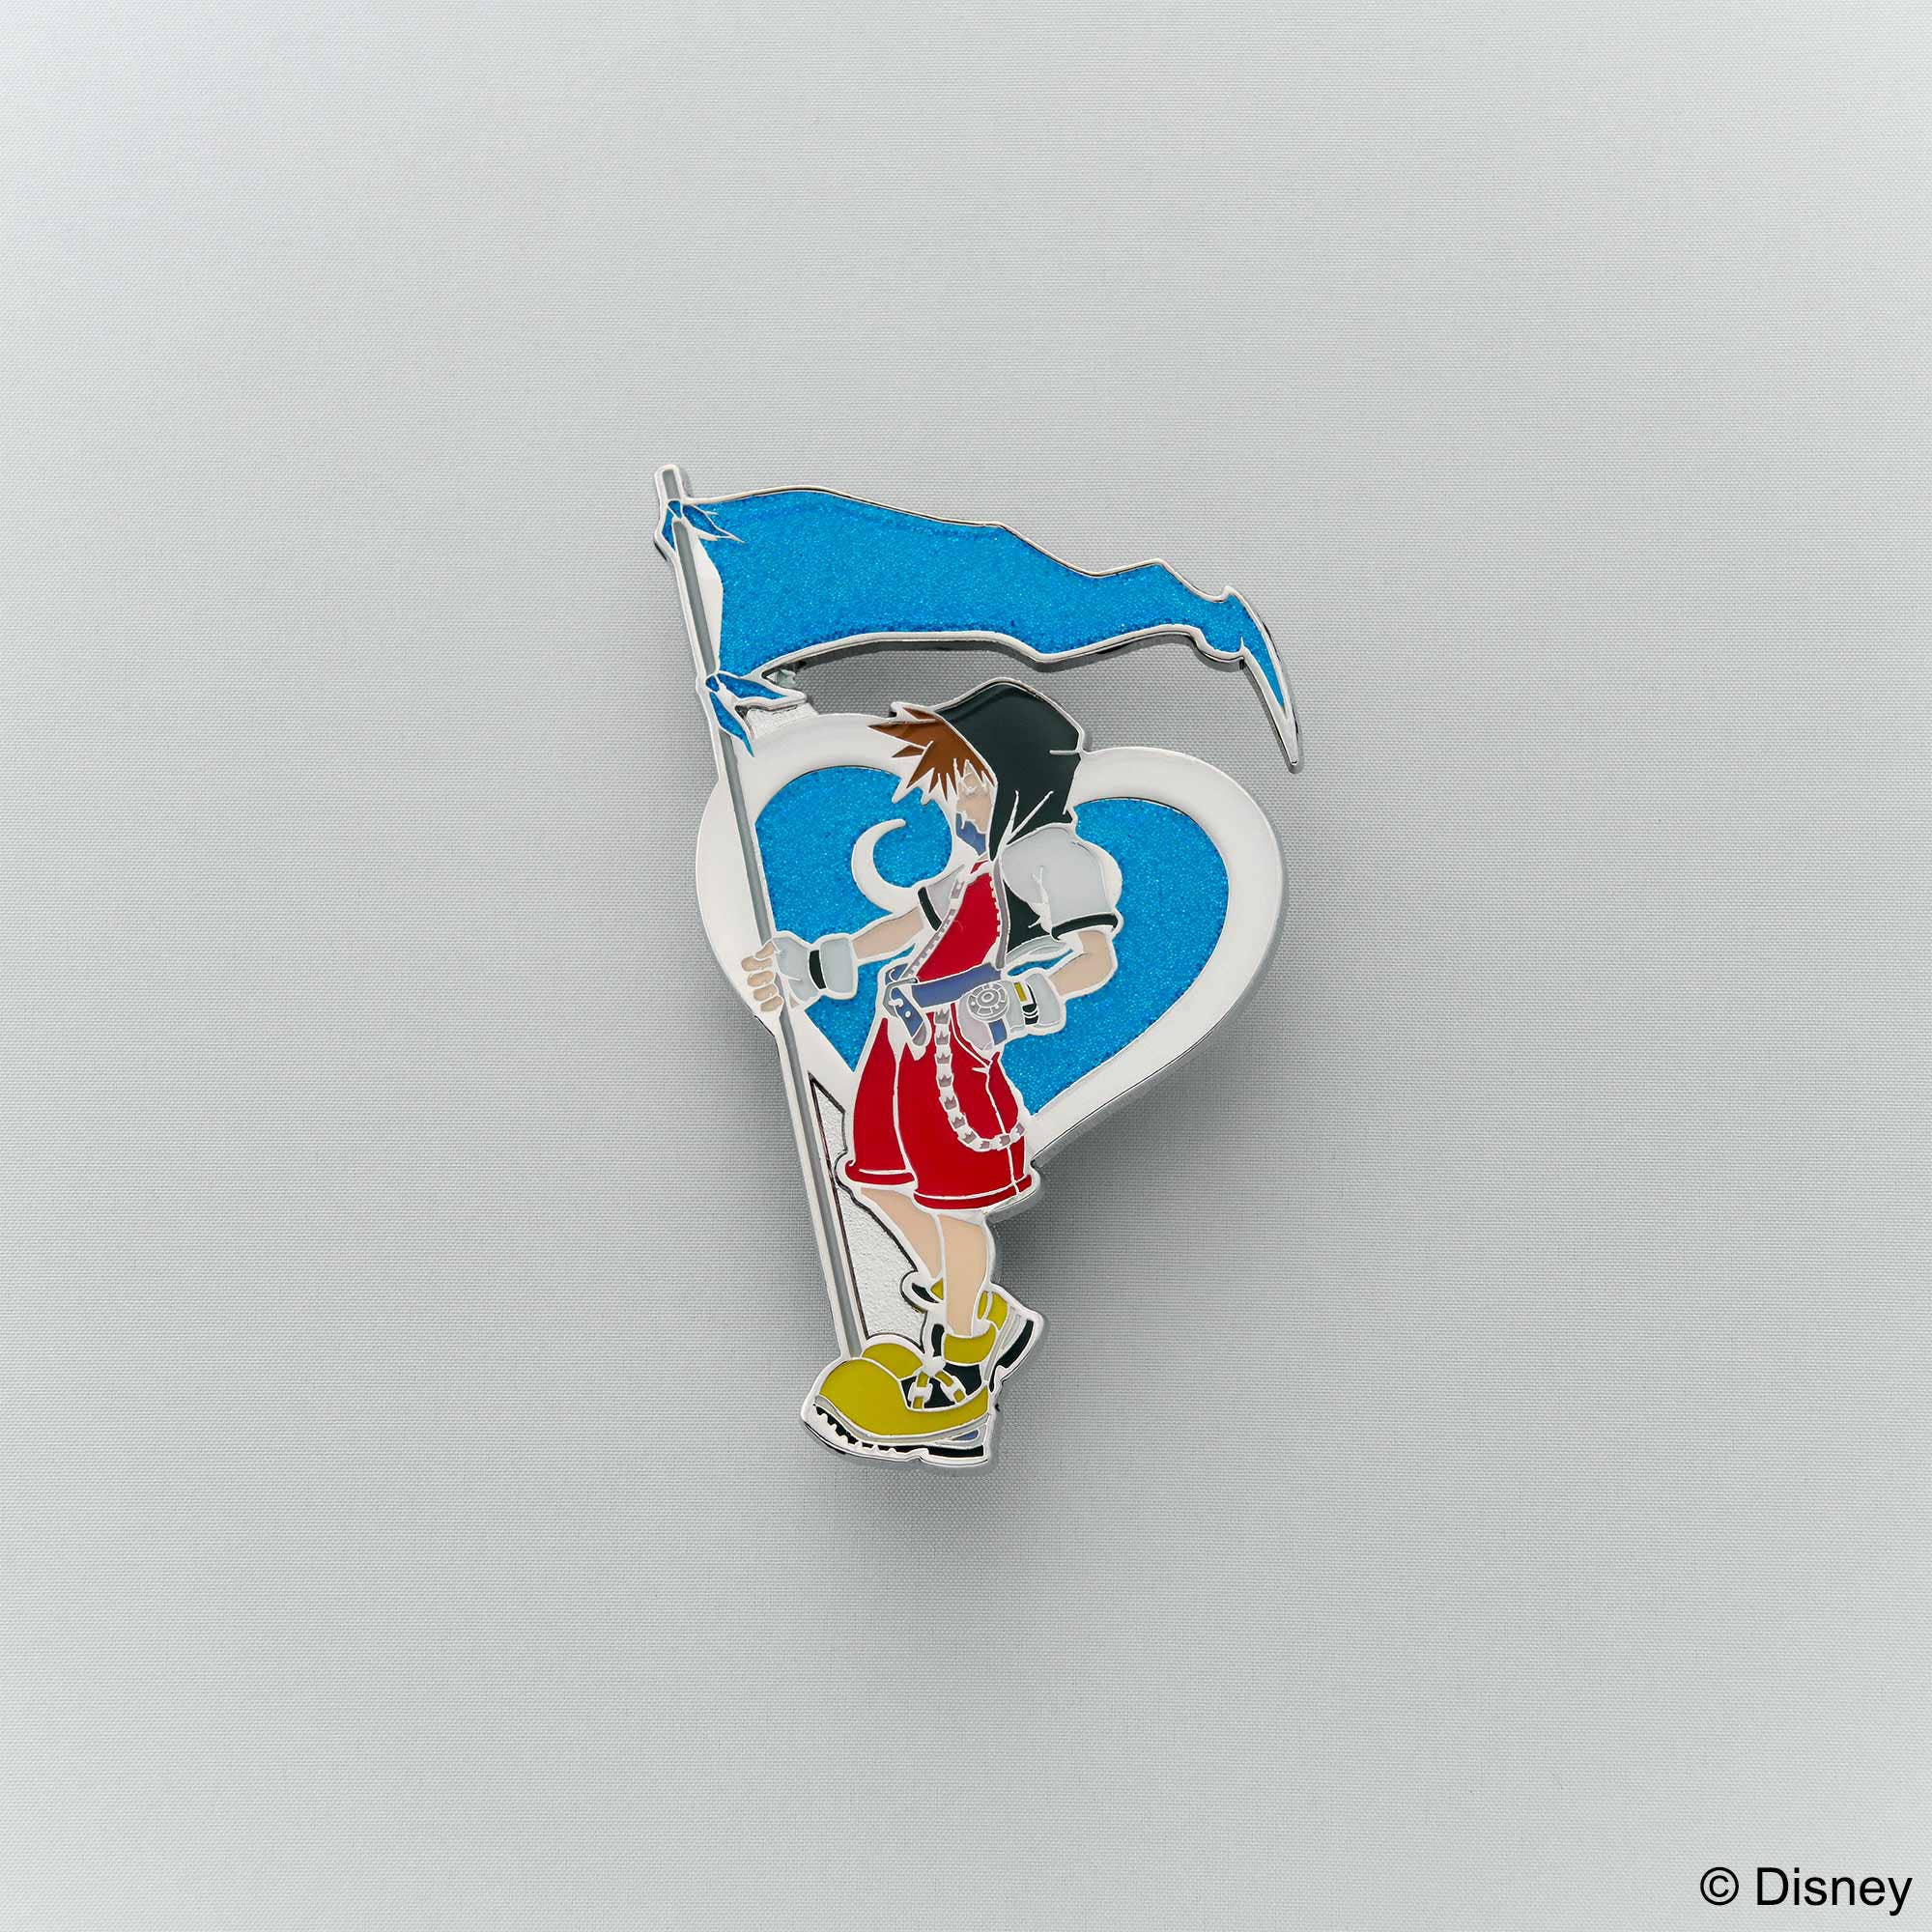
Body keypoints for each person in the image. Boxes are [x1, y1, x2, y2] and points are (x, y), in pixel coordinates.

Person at [743, 680, 1122, 1462]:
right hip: (901, 1042)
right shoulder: (980, 867)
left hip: (955, 1052)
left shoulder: (1053, 857)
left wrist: (1019, 1000)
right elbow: (908, 924)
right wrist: (818, 964)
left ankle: (961, 1373)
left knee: (954, 1209)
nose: (956, 800)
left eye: (970, 779)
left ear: (1015, 775)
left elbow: (1096, 959)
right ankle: (973, 1307)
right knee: (879, 1182)